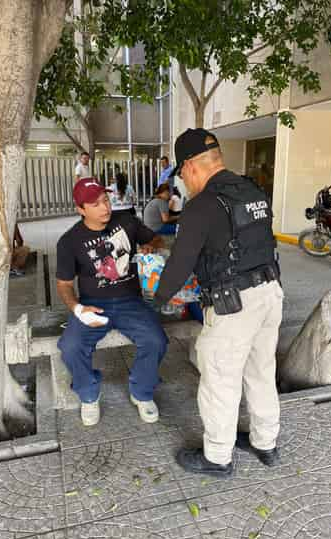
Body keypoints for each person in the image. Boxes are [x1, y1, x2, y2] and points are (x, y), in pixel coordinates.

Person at [154, 128, 283, 478]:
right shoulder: (251, 189)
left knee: (220, 380)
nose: (182, 181)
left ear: (192, 166)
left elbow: (180, 263)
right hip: (270, 294)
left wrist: (158, 299)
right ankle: (265, 442)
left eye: (181, 173)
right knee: (261, 371)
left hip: (235, 305)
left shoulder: (204, 205)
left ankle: (217, 457)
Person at [56, 177, 168, 427]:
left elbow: (157, 239)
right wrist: (78, 309)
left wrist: (151, 245)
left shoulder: (126, 221)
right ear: (80, 209)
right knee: (70, 346)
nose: (104, 207)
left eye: (105, 200)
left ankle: (142, 392)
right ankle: (88, 395)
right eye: (95, 204)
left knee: (156, 340)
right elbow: (63, 285)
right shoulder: (69, 241)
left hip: (131, 300)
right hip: (93, 303)